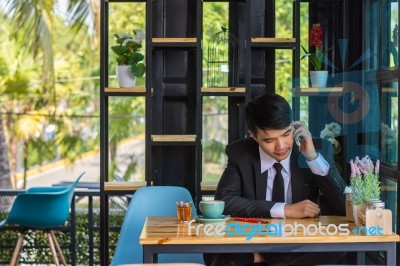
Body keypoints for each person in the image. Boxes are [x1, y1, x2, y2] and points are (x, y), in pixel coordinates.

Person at [204, 93, 347, 266]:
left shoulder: (316, 149)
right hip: (253, 239)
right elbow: (224, 201)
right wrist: (284, 210)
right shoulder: (240, 153)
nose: (281, 146)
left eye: (286, 134)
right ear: (254, 136)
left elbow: (343, 204)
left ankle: (266, 259)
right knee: (213, 249)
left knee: (339, 246)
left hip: (299, 243)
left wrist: (312, 158)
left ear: (294, 127)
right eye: (270, 140)